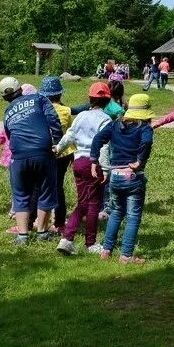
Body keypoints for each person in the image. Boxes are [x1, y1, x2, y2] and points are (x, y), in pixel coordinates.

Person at [90, 93, 155, 264]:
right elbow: (147, 143)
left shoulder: (115, 125)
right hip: (133, 176)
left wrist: (94, 160)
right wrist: (140, 160)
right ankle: (126, 255)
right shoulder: (144, 128)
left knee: (116, 212)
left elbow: (97, 139)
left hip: (115, 176)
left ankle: (106, 250)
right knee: (133, 216)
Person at [0, 76, 63, 245]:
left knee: (20, 194)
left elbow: (9, 134)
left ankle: (22, 235)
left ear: (5, 98)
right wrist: (57, 142)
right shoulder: (38, 98)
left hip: (18, 156)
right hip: (42, 152)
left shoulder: (7, 113)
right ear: (20, 89)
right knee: (46, 190)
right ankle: (42, 232)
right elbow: (53, 119)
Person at [54, 84, 112, 255]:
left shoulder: (81, 115)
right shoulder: (106, 119)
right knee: (93, 203)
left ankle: (68, 238)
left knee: (83, 201)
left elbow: (70, 135)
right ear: (107, 100)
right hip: (94, 164)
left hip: (78, 162)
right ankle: (88, 242)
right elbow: (104, 146)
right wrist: (106, 169)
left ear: (90, 99)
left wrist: (58, 148)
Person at [39, 75, 75, 233]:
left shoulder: (39, 109)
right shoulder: (66, 110)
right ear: (60, 94)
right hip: (64, 153)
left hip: (45, 152)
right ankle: (59, 222)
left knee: (42, 187)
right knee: (58, 186)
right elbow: (69, 133)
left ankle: (39, 220)